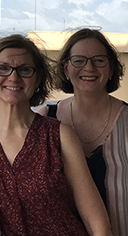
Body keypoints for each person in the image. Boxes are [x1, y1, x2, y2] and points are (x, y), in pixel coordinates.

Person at [0, 34, 112, 236]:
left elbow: (95, 220)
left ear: (37, 79)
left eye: (25, 70)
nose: (13, 77)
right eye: (3, 68)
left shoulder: (59, 135)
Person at [37, 28, 127, 236]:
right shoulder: (45, 119)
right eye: (78, 60)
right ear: (66, 69)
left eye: (99, 60)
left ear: (112, 69)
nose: (89, 67)